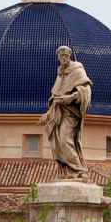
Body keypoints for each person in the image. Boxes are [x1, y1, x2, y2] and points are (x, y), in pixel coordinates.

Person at [39, 45, 92, 179]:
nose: (64, 58)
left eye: (66, 56)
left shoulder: (77, 69)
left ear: (70, 56)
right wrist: (48, 114)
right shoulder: (60, 72)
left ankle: (80, 170)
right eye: (61, 56)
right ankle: (66, 172)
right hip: (59, 113)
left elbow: (86, 90)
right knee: (57, 144)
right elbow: (56, 97)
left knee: (64, 140)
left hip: (71, 113)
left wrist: (71, 97)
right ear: (58, 57)